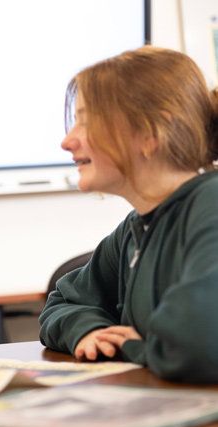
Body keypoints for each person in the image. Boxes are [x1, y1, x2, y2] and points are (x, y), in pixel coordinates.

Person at [39, 46, 218, 384]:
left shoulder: (211, 204)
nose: (67, 141)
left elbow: (199, 346)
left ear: (151, 134)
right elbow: (61, 302)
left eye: (86, 121)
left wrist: (135, 348)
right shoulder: (136, 226)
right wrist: (91, 332)